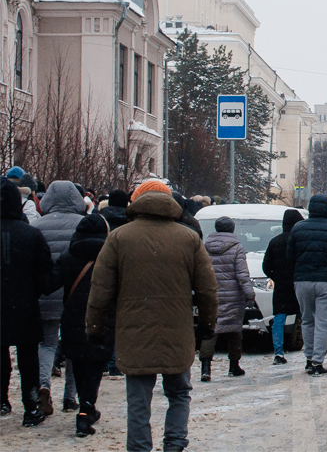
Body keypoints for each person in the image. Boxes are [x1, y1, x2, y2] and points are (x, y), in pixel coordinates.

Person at [86, 179, 218, 452]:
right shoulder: (189, 238)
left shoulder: (120, 238)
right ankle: (175, 443)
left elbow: (100, 290)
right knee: (179, 393)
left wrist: (95, 328)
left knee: (138, 400)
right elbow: (207, 289)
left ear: (137, 201)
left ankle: (139, 447)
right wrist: (206, 326)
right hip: (177, 331)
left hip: (134, 331)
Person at [1, 181, 56, 426]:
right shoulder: (31, 234)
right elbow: (45, 278)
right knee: (28, 359)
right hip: (24, 305)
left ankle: (1, 401)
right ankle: (31, 407)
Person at [54, 213, 114, 437]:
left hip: (72, 319)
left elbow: (50, 282)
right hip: (103, 318)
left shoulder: (69, 255)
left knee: (79, 363)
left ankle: (86, 406)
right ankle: (86, 410)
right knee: (96, 366)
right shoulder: (110, 257)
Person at [34, 179, 86, 415]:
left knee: (46, 343)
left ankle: (43, 384)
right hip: (75, 293)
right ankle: (70, 397)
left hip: (46, 293)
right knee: (74, 345)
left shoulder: (38, 225)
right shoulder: (82, 224)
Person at [287, 195, 327, 377]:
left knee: (307, 319)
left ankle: (308, 358)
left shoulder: (297, 228)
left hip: (303, 280)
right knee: (323, 322)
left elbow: (290, 256)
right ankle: (317, 361)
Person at [199, 216, 254, 382]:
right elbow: (242, 275)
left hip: (211, 295)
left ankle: (206, 368)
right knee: (234, 331)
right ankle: (233, 366)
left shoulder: (204, 247)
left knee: (211, 330)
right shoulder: (237, 248)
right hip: (233, 297)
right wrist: (249, 294)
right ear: (232, 229)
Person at [262, 209, 303, 364]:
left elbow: (266, 266)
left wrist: (277, 277)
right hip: (299, 283)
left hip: (281, 286)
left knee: (279, 318)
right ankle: (310, 353)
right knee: (304, 316)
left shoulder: (275, 241)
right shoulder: (299, 241)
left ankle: (278, 353)